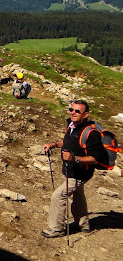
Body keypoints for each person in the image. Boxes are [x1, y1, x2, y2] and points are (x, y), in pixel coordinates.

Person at [41, 100, 107, 238]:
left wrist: (74, 159)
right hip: (71, 171)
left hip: (80, 173)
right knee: (78, 195)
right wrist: (53, 144)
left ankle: (56, 229)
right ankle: (83, 224)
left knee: (58, 196)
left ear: (85, 114)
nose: (73, 113)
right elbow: (67, 142)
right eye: (71, 109)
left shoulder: (91, 133)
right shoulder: (72, 126)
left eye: (77, 111)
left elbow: (95, 158)